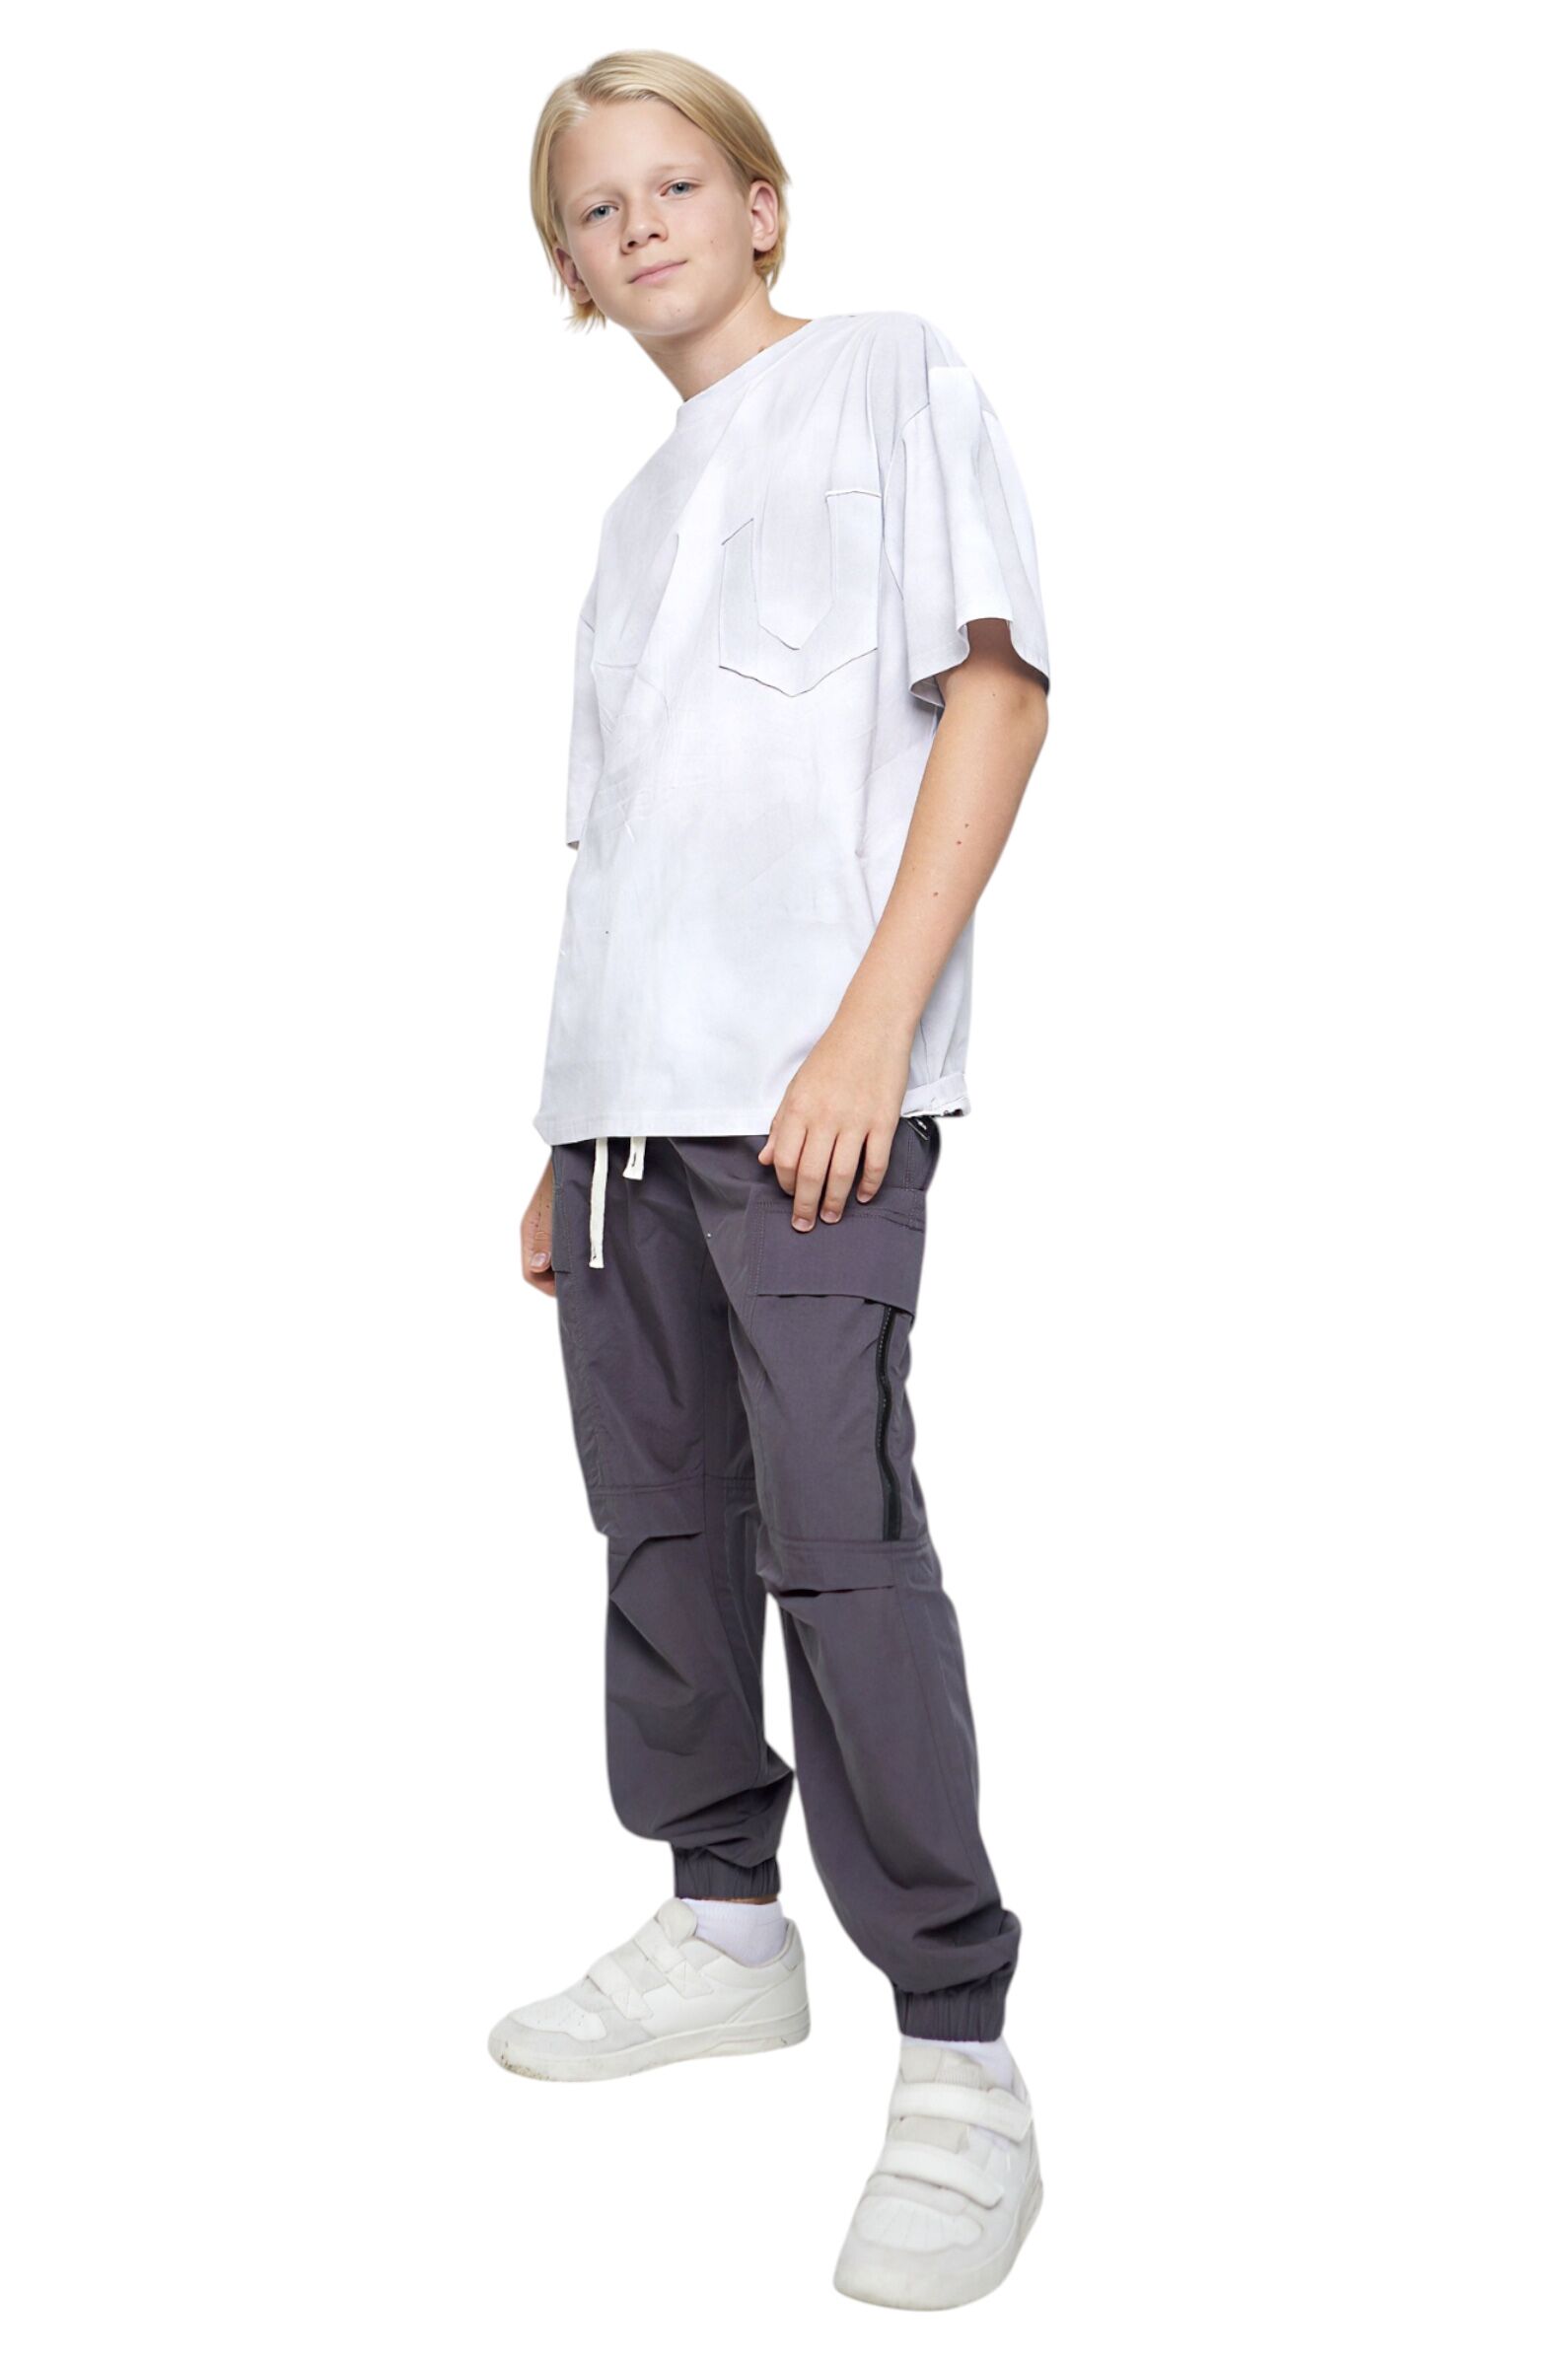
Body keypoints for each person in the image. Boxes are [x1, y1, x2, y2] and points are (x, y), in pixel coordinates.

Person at [490, 49, 1052, 2313]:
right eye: (594, 207)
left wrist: (868, 1034)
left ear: (760, 207)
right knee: (660, 1530)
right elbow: (621, 846)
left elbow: (996, 701)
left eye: (674, 185)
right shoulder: (635, 518)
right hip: (622, 1123)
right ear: (569, 265)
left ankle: (961, 2052)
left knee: (841, 1540)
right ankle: (726, 1921)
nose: (637, 226)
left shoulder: (892, 380)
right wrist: (561, 1127)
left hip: (813, 1097)